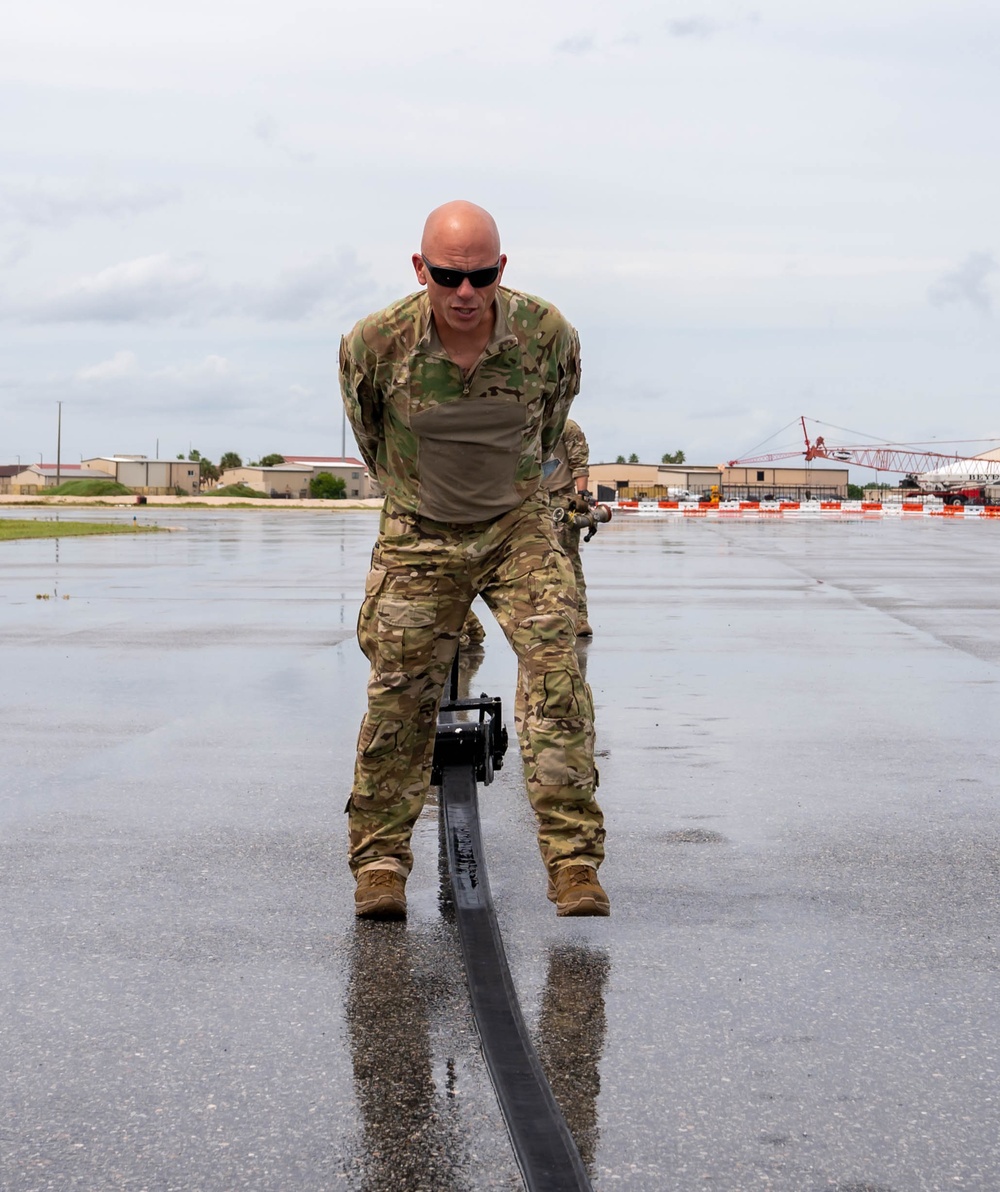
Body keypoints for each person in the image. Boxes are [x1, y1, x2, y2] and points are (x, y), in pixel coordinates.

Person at [339, 200, 608, 920]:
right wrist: (421, 496)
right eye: (451, 277)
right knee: (400, 693)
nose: (466, 293)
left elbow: (552, 421)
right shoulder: (377, 343)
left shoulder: (547, 336)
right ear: (421, 268)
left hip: (514, 524)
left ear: (502, 270)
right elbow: (370, 431)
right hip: (420, 527)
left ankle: (575, 861)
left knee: (557, 670)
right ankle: (381, 865)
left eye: (482, 276)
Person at [544, 418, 594, 636]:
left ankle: (580, 617)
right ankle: (550, 614)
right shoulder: (526, 424)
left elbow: (579, 464)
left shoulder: (567, 427)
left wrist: (580, 496)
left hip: (561, 499)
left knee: (568, 560)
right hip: (531, 499)